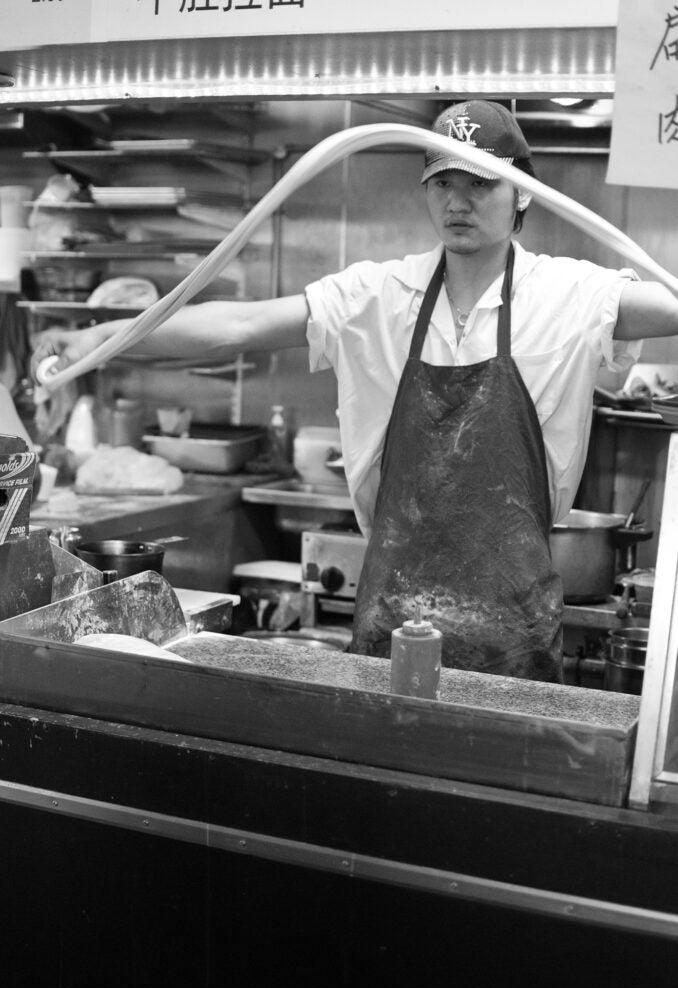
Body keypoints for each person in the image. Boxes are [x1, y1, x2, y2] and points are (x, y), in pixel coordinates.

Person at [30, 100, 678, 684]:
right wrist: (104, 338)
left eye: (480, 182)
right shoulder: (376, 296)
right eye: (443, 182)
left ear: (524, 194)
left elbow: (667, 306)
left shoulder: (572, 296)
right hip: (388, 627)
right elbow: (239, 323)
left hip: (516, 634)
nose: (459, 201)